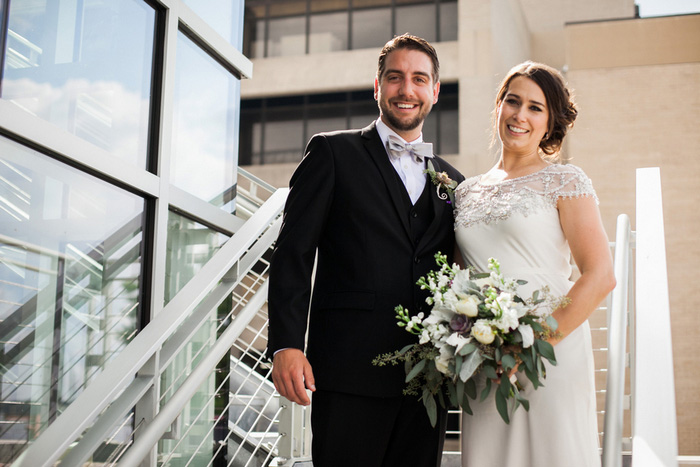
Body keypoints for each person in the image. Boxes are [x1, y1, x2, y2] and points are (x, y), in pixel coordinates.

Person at [267, 34, 464, 467]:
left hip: (428, 380)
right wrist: (286, 344)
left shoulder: (453, 180)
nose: (405, 89)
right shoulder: (332, 152)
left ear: (434, 91)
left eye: (418, 79)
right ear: (378, 87)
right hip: (348, 370)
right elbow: (293, 253)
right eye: (394, 78)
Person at [454, 61, 615, 467]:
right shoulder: (465, 191)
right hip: (485, 355)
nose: (520, 115)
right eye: (512, 101)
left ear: (550, 123)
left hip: (549, 349)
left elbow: (600, 275)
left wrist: (530, 346)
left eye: (535, 107)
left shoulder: (565, 181)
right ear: (497, 108)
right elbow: (455, 278)